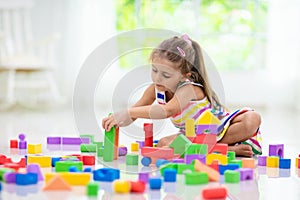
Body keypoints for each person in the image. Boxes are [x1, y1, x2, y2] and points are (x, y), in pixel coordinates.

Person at [102, 34, 262, 157]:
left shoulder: (188, 88)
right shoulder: (154, 89)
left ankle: (216, 146)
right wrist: (116, 120)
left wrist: (128, 112)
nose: (157, 78)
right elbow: (135, 111)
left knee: (252, 119)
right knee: (164, 144)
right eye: (154, 70)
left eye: (166, 75)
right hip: (191, 137)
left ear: (184, 75)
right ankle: (225, 150)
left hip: (221, 129)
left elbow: (167, 111)